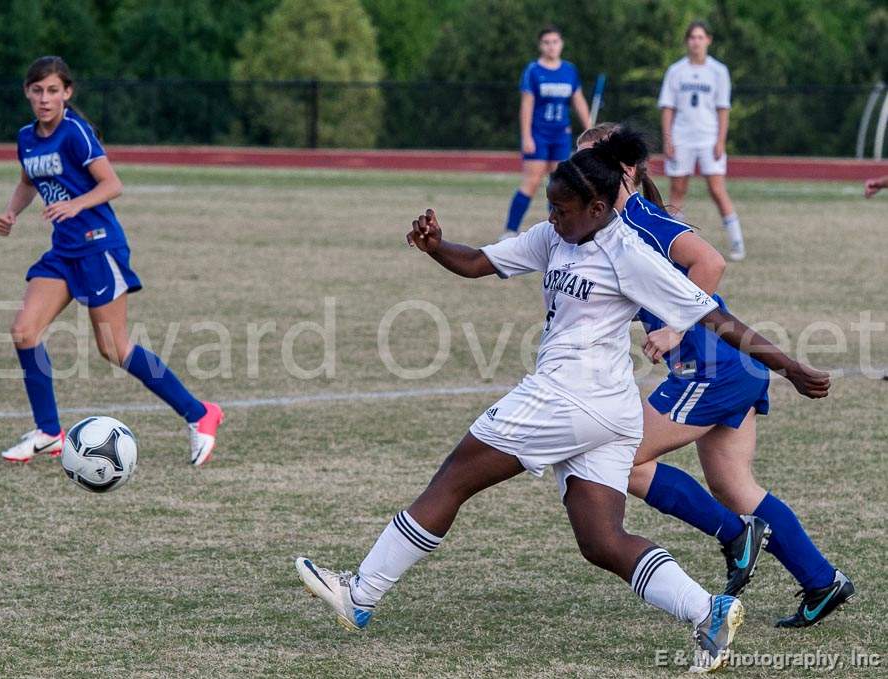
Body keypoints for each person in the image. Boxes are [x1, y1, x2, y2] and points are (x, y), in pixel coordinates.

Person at [295, 130, 830, 672]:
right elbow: (480, 261)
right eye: (550, 206)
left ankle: (361, 593)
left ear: (599, 207)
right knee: (601, 541)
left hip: (567, 398)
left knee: (454, 477)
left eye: (562, 209)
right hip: (607, 410)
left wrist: (788, 367)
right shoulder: (557, 236)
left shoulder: (629, 252)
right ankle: (710, 611)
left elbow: (715, 316)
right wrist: (437, 247)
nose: (552, 216)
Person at [576, 123, 855, 628]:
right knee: (737, 486)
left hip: (710, 369)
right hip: (731, 366)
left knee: (624, 459)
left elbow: (710, 261)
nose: (577, 173)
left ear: (621, 171)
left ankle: (734, 534)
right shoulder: (614, 224)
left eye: (586, 162)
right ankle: (822, 580)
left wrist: (675, 329)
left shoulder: (640, 220)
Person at [0, 56, 223, 465]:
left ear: (67, 93)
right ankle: (49, 433)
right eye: (37, 90)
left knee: (114, 348)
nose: (44, 99)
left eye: (52, 90)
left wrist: (76, 204)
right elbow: (28, 182)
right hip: (63, 251)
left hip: (99, 246)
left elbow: (112, 184)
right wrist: (13, 211)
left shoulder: (76, 133)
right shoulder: (27, 138)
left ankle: (200, 413)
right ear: (27, 93)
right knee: (24, 332)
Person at [659, 21, 745, 261]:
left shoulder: (718, 71)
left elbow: (723, 108)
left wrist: (720, 140)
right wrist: (668, 139)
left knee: (717, 189)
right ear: (687, 41)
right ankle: (673, 243)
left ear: (708, 40)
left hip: (708, 137)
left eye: (700, 37)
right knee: (678, 189)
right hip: (682, 137)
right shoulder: (676, 70)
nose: (696, 42)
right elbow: (667, 107)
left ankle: (737, 241)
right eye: (692, 37)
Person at [501, 25, 591, 240]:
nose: (551, 46)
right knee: (531, 183)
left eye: (555, 42)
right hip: (538, 134)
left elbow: (578, 101)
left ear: (561, 44)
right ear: (540, 45)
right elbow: (527, 105)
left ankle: (556, 229)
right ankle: (510, 230)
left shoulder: (569, 70)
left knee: (559, 185)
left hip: (560, 135)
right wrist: (526, 136)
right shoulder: (533, 71)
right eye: (547, 42)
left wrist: (590, 131)